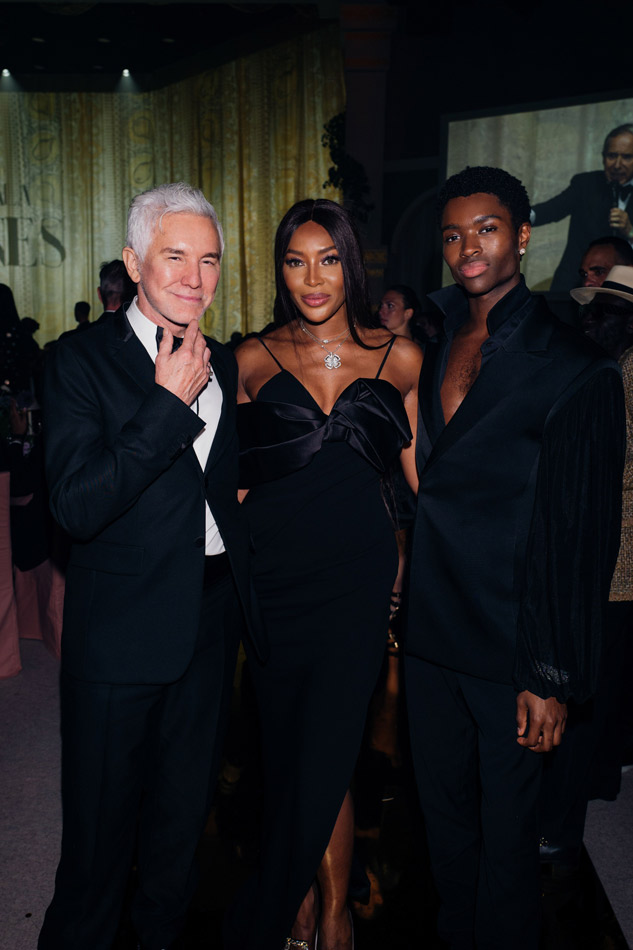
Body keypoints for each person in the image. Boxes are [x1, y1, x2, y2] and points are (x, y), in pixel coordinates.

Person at [38, 182, 266, 950]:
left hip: (208, 621)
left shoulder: (224, 362)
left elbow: (220, 489)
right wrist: (166, 405)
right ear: (134, 263)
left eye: (209, 260)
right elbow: (75, 506)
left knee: (178, 834)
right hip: (120, 635)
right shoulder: (76, 363)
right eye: (175, 256)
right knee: (99, 848)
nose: (194, 278)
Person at [405, 166, 625, 950]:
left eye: (487, 228)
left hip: (512, 644)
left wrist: (550, 674)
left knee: (507, 841)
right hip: (432, 635)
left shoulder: (575, 366)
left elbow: (581, 538)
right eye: (453, 233)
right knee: (443, 823)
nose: (468, 246)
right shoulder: (433, 338)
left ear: (522, 236)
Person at [225, 198, 422, 950]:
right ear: (279, 269)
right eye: (295, 260)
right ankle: (305, 904)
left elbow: (423, 488)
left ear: (351, 263)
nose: (312, 278)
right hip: (275, 582)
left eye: (327, 258)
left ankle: (327, 912)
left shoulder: (398, 356)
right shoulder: (248, 357)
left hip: (355, 582)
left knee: (332, 747)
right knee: (289, 751)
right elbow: (233, 489)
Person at [532, 123, 633, 291]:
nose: (617, 164)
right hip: (573, 286)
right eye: (612, 156)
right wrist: (513, 215)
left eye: (627, 157)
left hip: (624, 293)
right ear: (603, 157)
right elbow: (550, 210)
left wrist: (630, 231)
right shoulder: (585, 184)